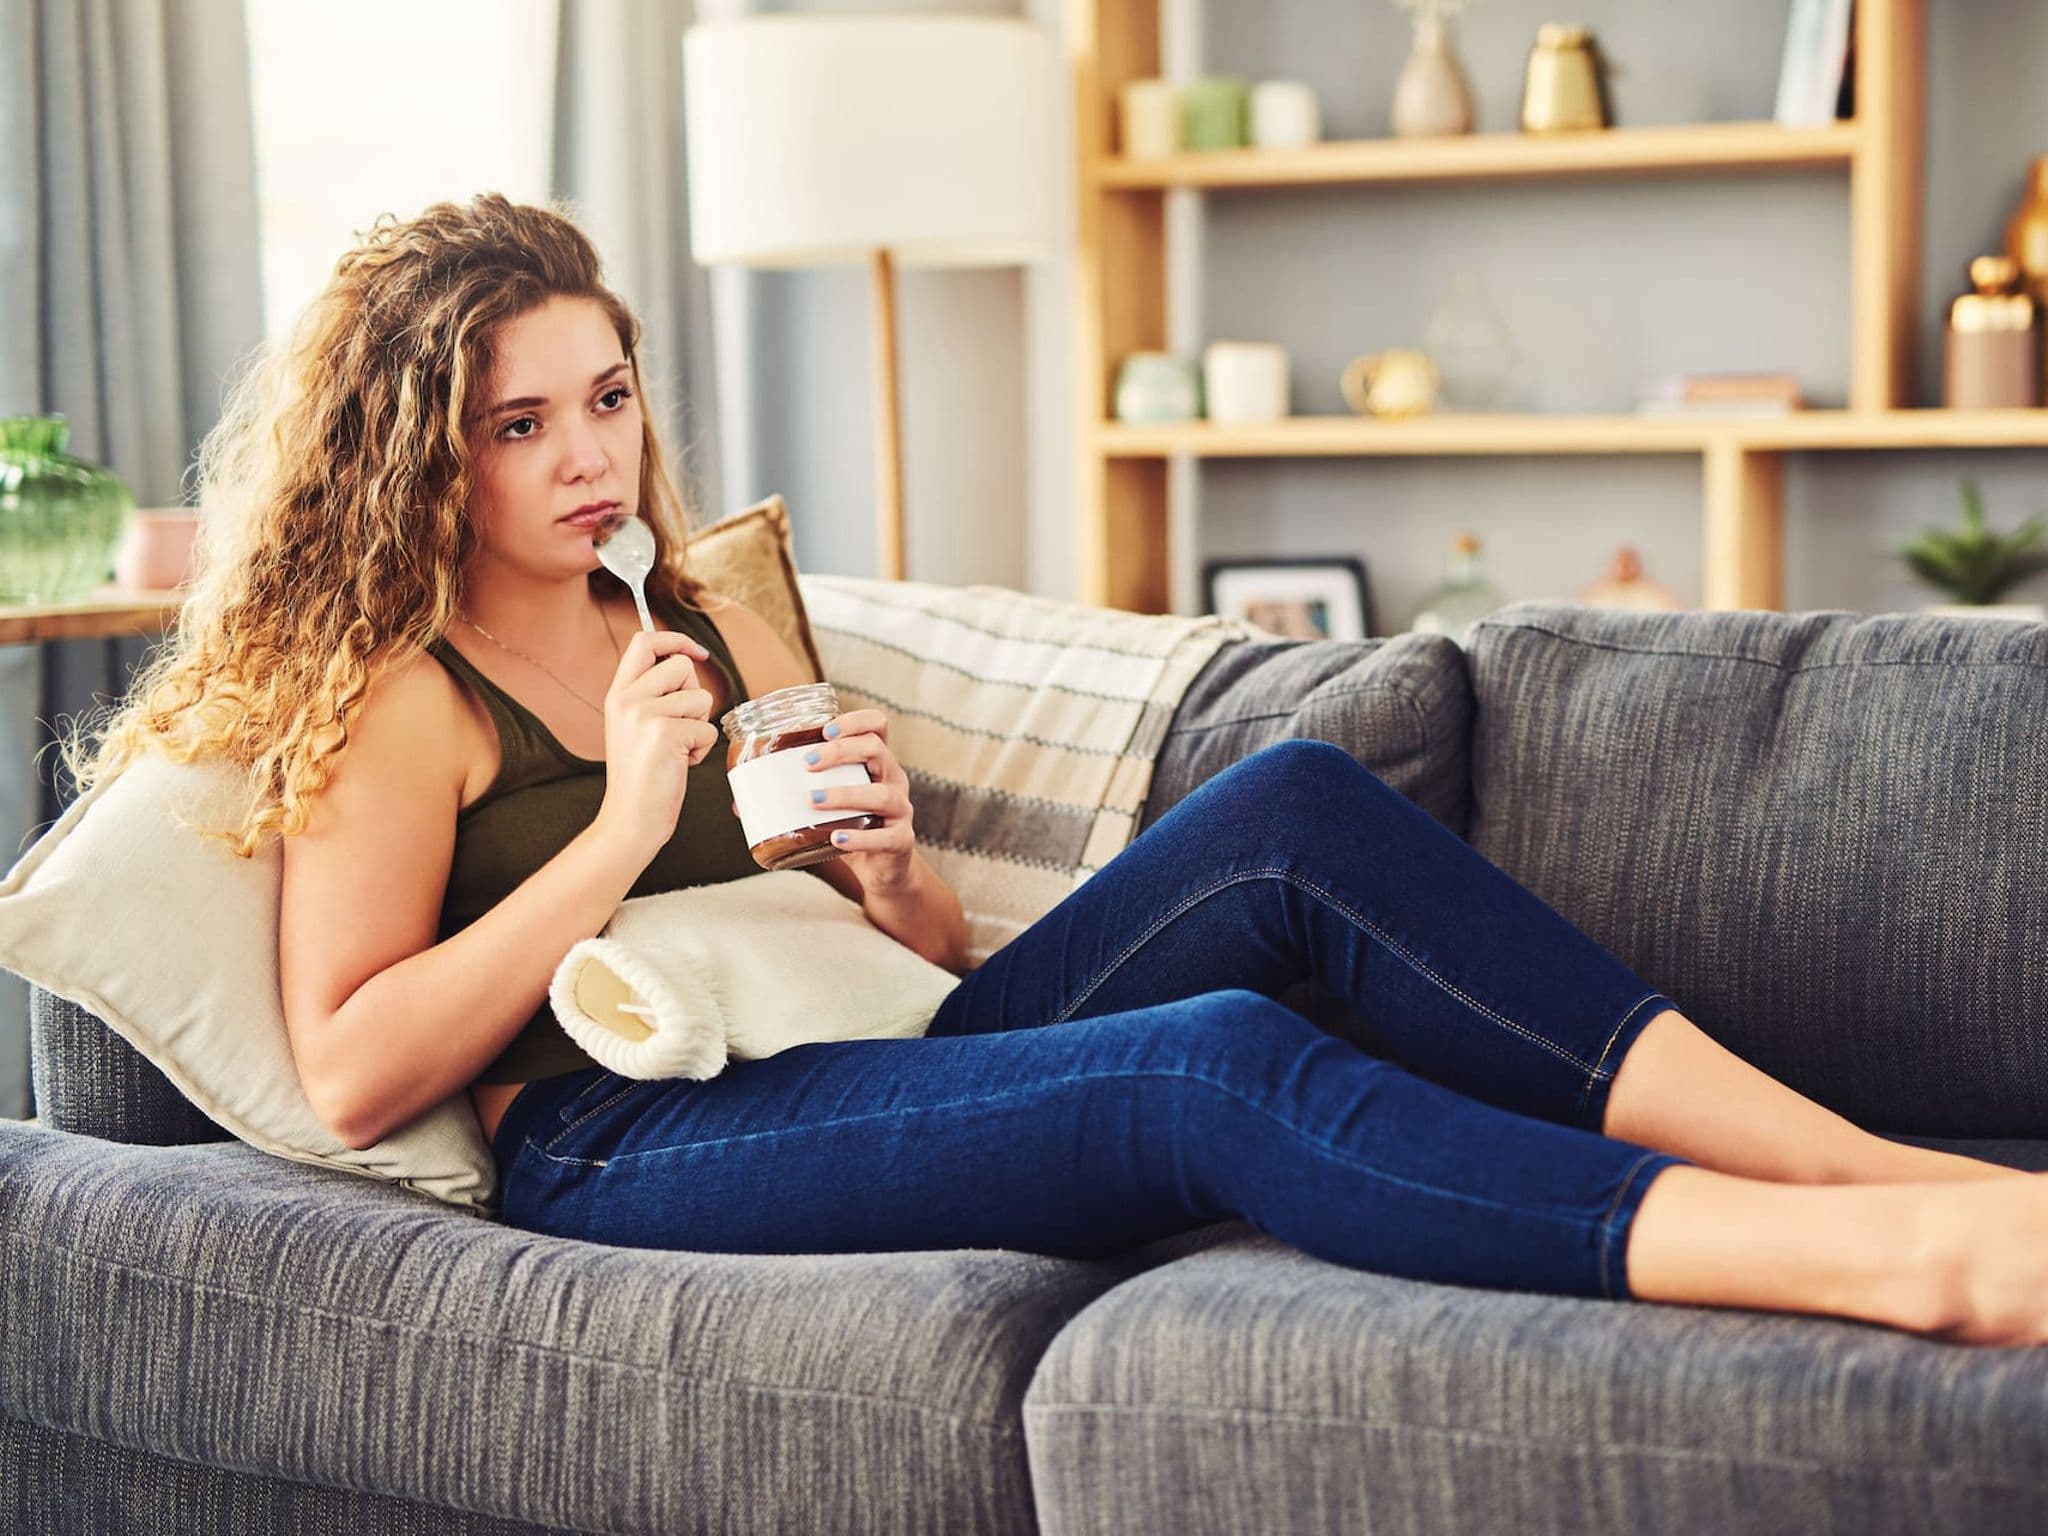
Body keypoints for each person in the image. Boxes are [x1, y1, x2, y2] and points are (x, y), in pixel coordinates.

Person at [58, 194, 2048, 1349]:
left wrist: (889, 874)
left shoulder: (671, 604)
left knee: (1290, 820)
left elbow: (888, 954)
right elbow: (352, 1068)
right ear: (421, 451)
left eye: (605, 395)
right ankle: (1887, 1261)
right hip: (619, 1141)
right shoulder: (407, 698)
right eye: (516, 425)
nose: (585, 454)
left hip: (854, 1041)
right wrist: (612, 835)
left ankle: (1879, 1163)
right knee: (1208, 1065)